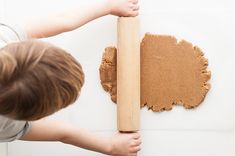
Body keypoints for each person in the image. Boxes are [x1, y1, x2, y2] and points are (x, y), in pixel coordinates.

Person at [0, 0, 141, 156]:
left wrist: (108, 6)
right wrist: (109, 147)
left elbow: (65, 20)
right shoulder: (5, 125)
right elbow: (61, 133)